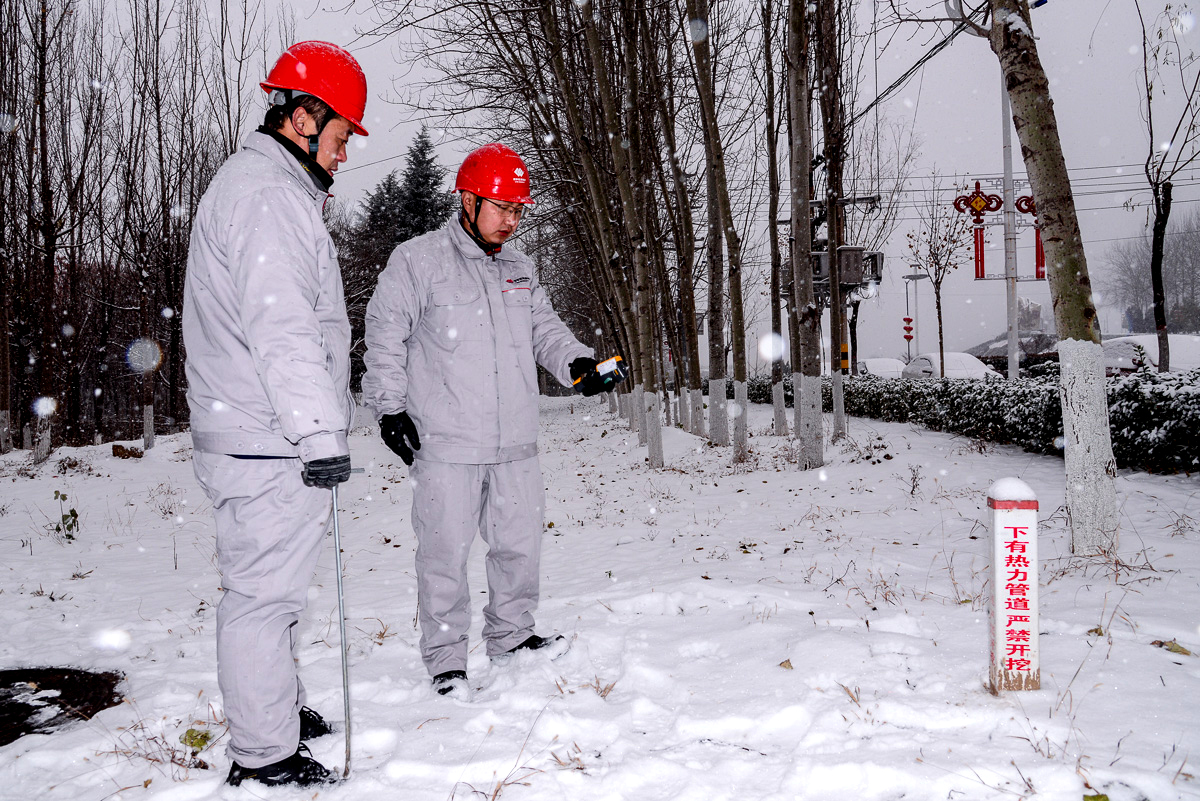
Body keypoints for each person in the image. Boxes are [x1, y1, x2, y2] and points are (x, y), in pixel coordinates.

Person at [361, 143, 620, 699]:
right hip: (447, 443)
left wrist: (576, 363)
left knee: (519, 550)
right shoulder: (418, 261)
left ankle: (512, 635)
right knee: (444, 556)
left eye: (519, 209)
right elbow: (385, 335)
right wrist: (388, 406)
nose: (511, 221)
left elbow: (544, 332)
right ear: (467, 200)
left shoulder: (519, 269)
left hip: (515, 442)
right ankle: (448, 659)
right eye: (501, 207)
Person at [181, 40, 369, 787]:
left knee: (277, 588)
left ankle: (275, 707)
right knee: (262, 596)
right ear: (302, 118)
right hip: (267, 435)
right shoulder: (267, 199)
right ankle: (265, 756)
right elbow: (283, 324)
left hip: (260, 430)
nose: (345, 151)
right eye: (342, 134)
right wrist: (319, 431)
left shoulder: (266, 188)